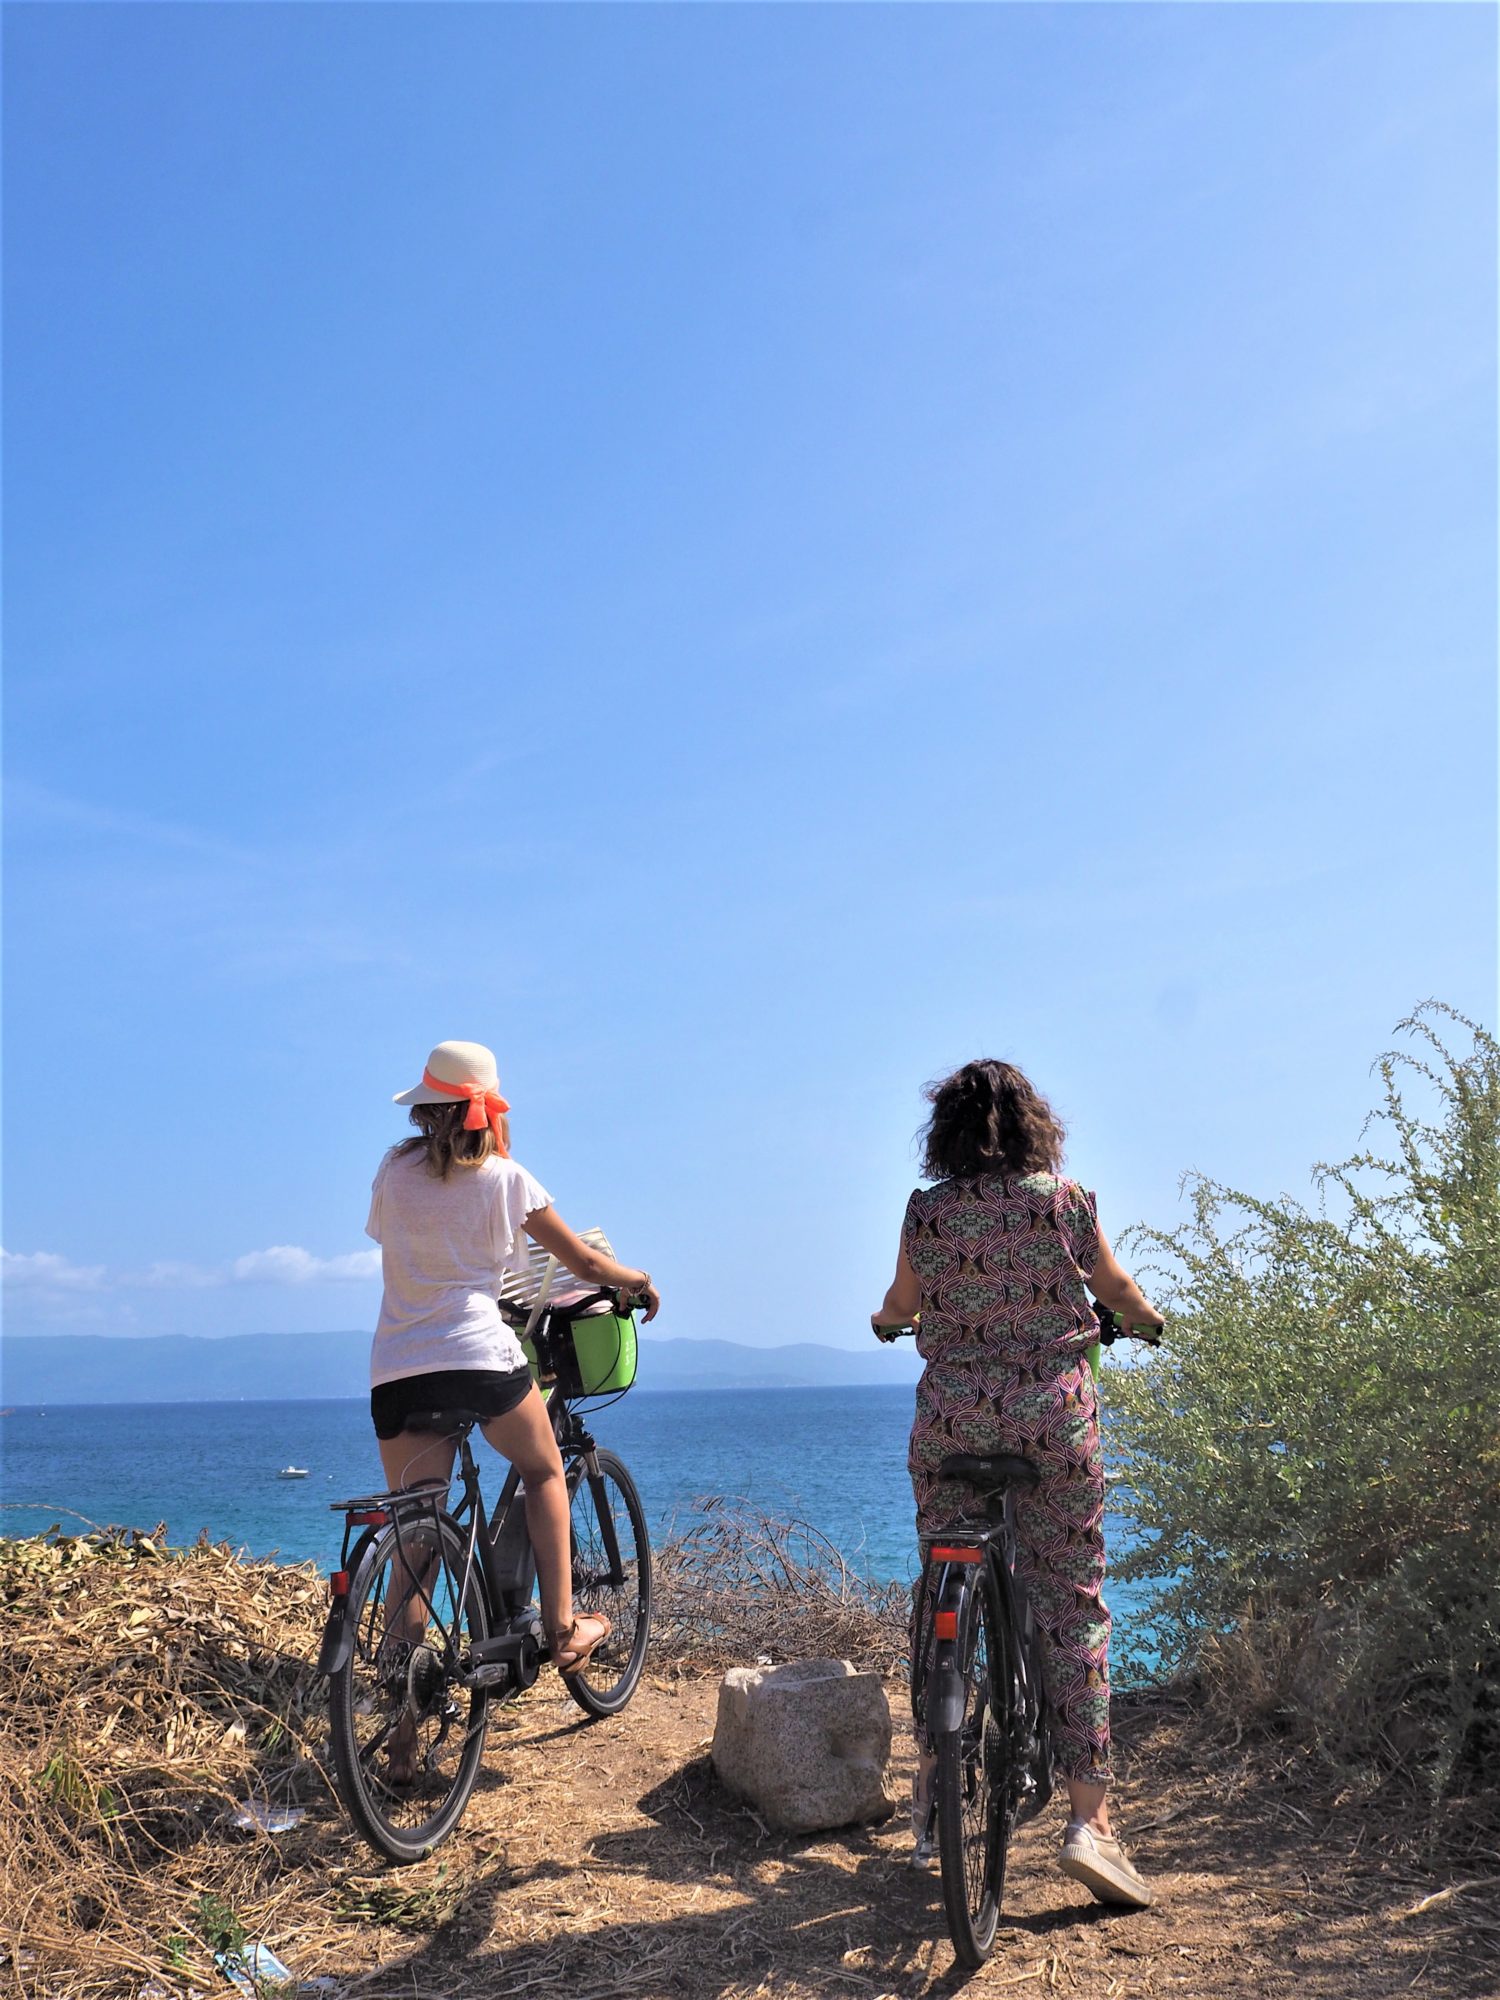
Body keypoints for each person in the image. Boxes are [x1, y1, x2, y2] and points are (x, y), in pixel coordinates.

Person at [872, 1058, 1162, 1909]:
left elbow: (898, 1303)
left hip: (954, 1423)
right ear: (1035, 1125)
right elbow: (1112, 1287)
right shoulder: (1062, 1200)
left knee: (941, 1586)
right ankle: (1091, 1825)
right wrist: (1145, 1320)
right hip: (1052, 1422)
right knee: (1071, 1606)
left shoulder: (927, 1210)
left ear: (947, 1132)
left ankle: (932, 1786)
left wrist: (891, 1323)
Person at [366, 1038, 660, 1771]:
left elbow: (404, 1247)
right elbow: (584, 1264)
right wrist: (638, 1279)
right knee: (544, 1471)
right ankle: (562, 1629)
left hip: (396, 1371)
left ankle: (400, 1748)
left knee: (418, 1540)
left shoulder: (392, 1170)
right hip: (478, 1358)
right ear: (488, 1110)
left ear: (428, 1108)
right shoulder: (507, 1177)